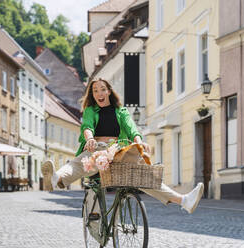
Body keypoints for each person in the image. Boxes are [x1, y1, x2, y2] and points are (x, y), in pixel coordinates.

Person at [41, 78, 204, 214]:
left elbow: (131, 127)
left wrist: (139, 141)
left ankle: (184, 201)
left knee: (145, 177)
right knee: (79, 162)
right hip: (97, 149)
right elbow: (87, 126)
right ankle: (57, 178)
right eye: (95, 91)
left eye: (102, 89)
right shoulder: (90, 110)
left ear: (109, 91)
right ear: (92, 94)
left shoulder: (121, 111)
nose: (99, 93)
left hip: (119, 152)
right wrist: (90, 139)